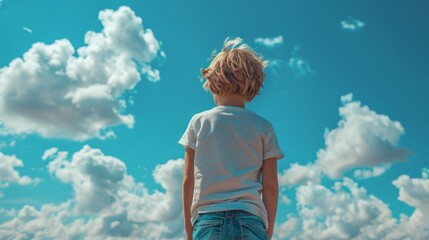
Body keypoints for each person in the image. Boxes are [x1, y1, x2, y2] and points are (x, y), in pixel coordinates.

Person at [179, 37, 284, 240]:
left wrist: (188, 227)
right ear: (253, 90)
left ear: (213, 82)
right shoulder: (264, 127)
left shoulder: (198, 122)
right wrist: (268, 231)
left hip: (208, 220)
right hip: (251, 220)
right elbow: (270, 184)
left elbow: (188, 179)